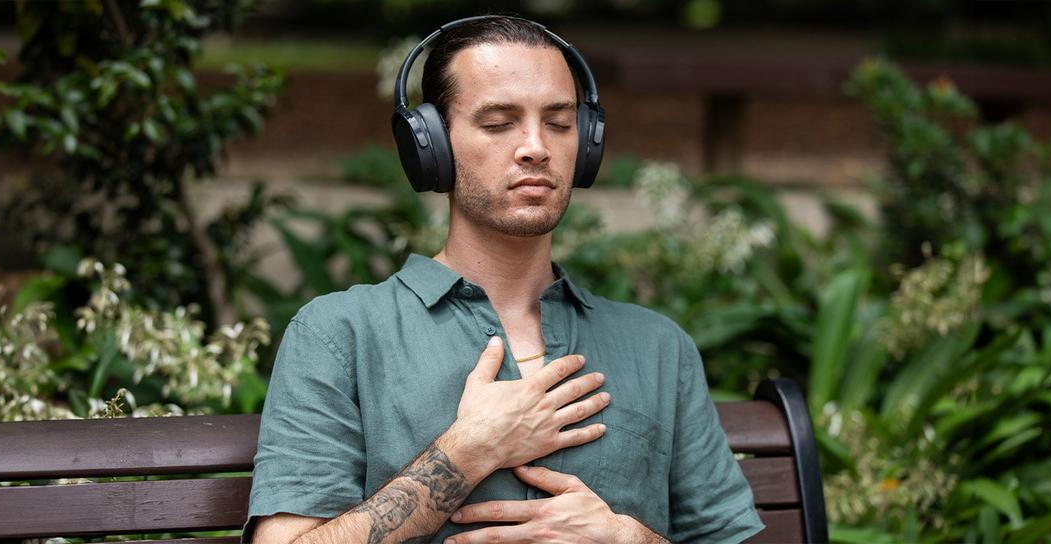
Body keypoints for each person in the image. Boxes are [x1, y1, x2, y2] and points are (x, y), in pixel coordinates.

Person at [246, 15, 764, 544]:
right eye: (498, 123)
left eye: (560, 124)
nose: (535, 147)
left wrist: (627, 539)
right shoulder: (339, 335)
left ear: (586, 146)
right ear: (430, 147)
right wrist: (468, 451)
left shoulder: (658, 347)